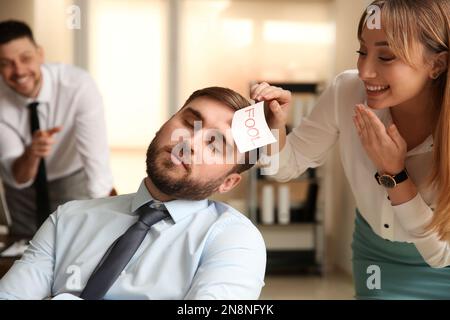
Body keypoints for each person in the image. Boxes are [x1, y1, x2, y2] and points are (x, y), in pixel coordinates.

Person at [252, 0, 450, 299]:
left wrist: (394, 174)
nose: (365, 71)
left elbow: (441, 254)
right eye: (362, 52)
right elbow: (282, 167)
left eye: (386, 56)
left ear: (437, 64)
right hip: (376, 256)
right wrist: (274, 126)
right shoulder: (346, 91)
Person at [0, 86, 267, 300]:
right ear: (164, 125)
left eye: (215, 145)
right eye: (189, 123)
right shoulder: (67, 219)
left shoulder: (234, 239)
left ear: (228, 183)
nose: (190, 143)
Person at [0, 20, 115, 237]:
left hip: (71, 177)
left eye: (25, 58)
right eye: (6, 63)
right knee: (24, 248)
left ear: (40, 54)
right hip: (22, 190)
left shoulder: (78, 85)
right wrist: (32, 153)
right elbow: (18, 177)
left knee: (77, 240)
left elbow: (96, 163)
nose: (19, 70)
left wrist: (109, 222)